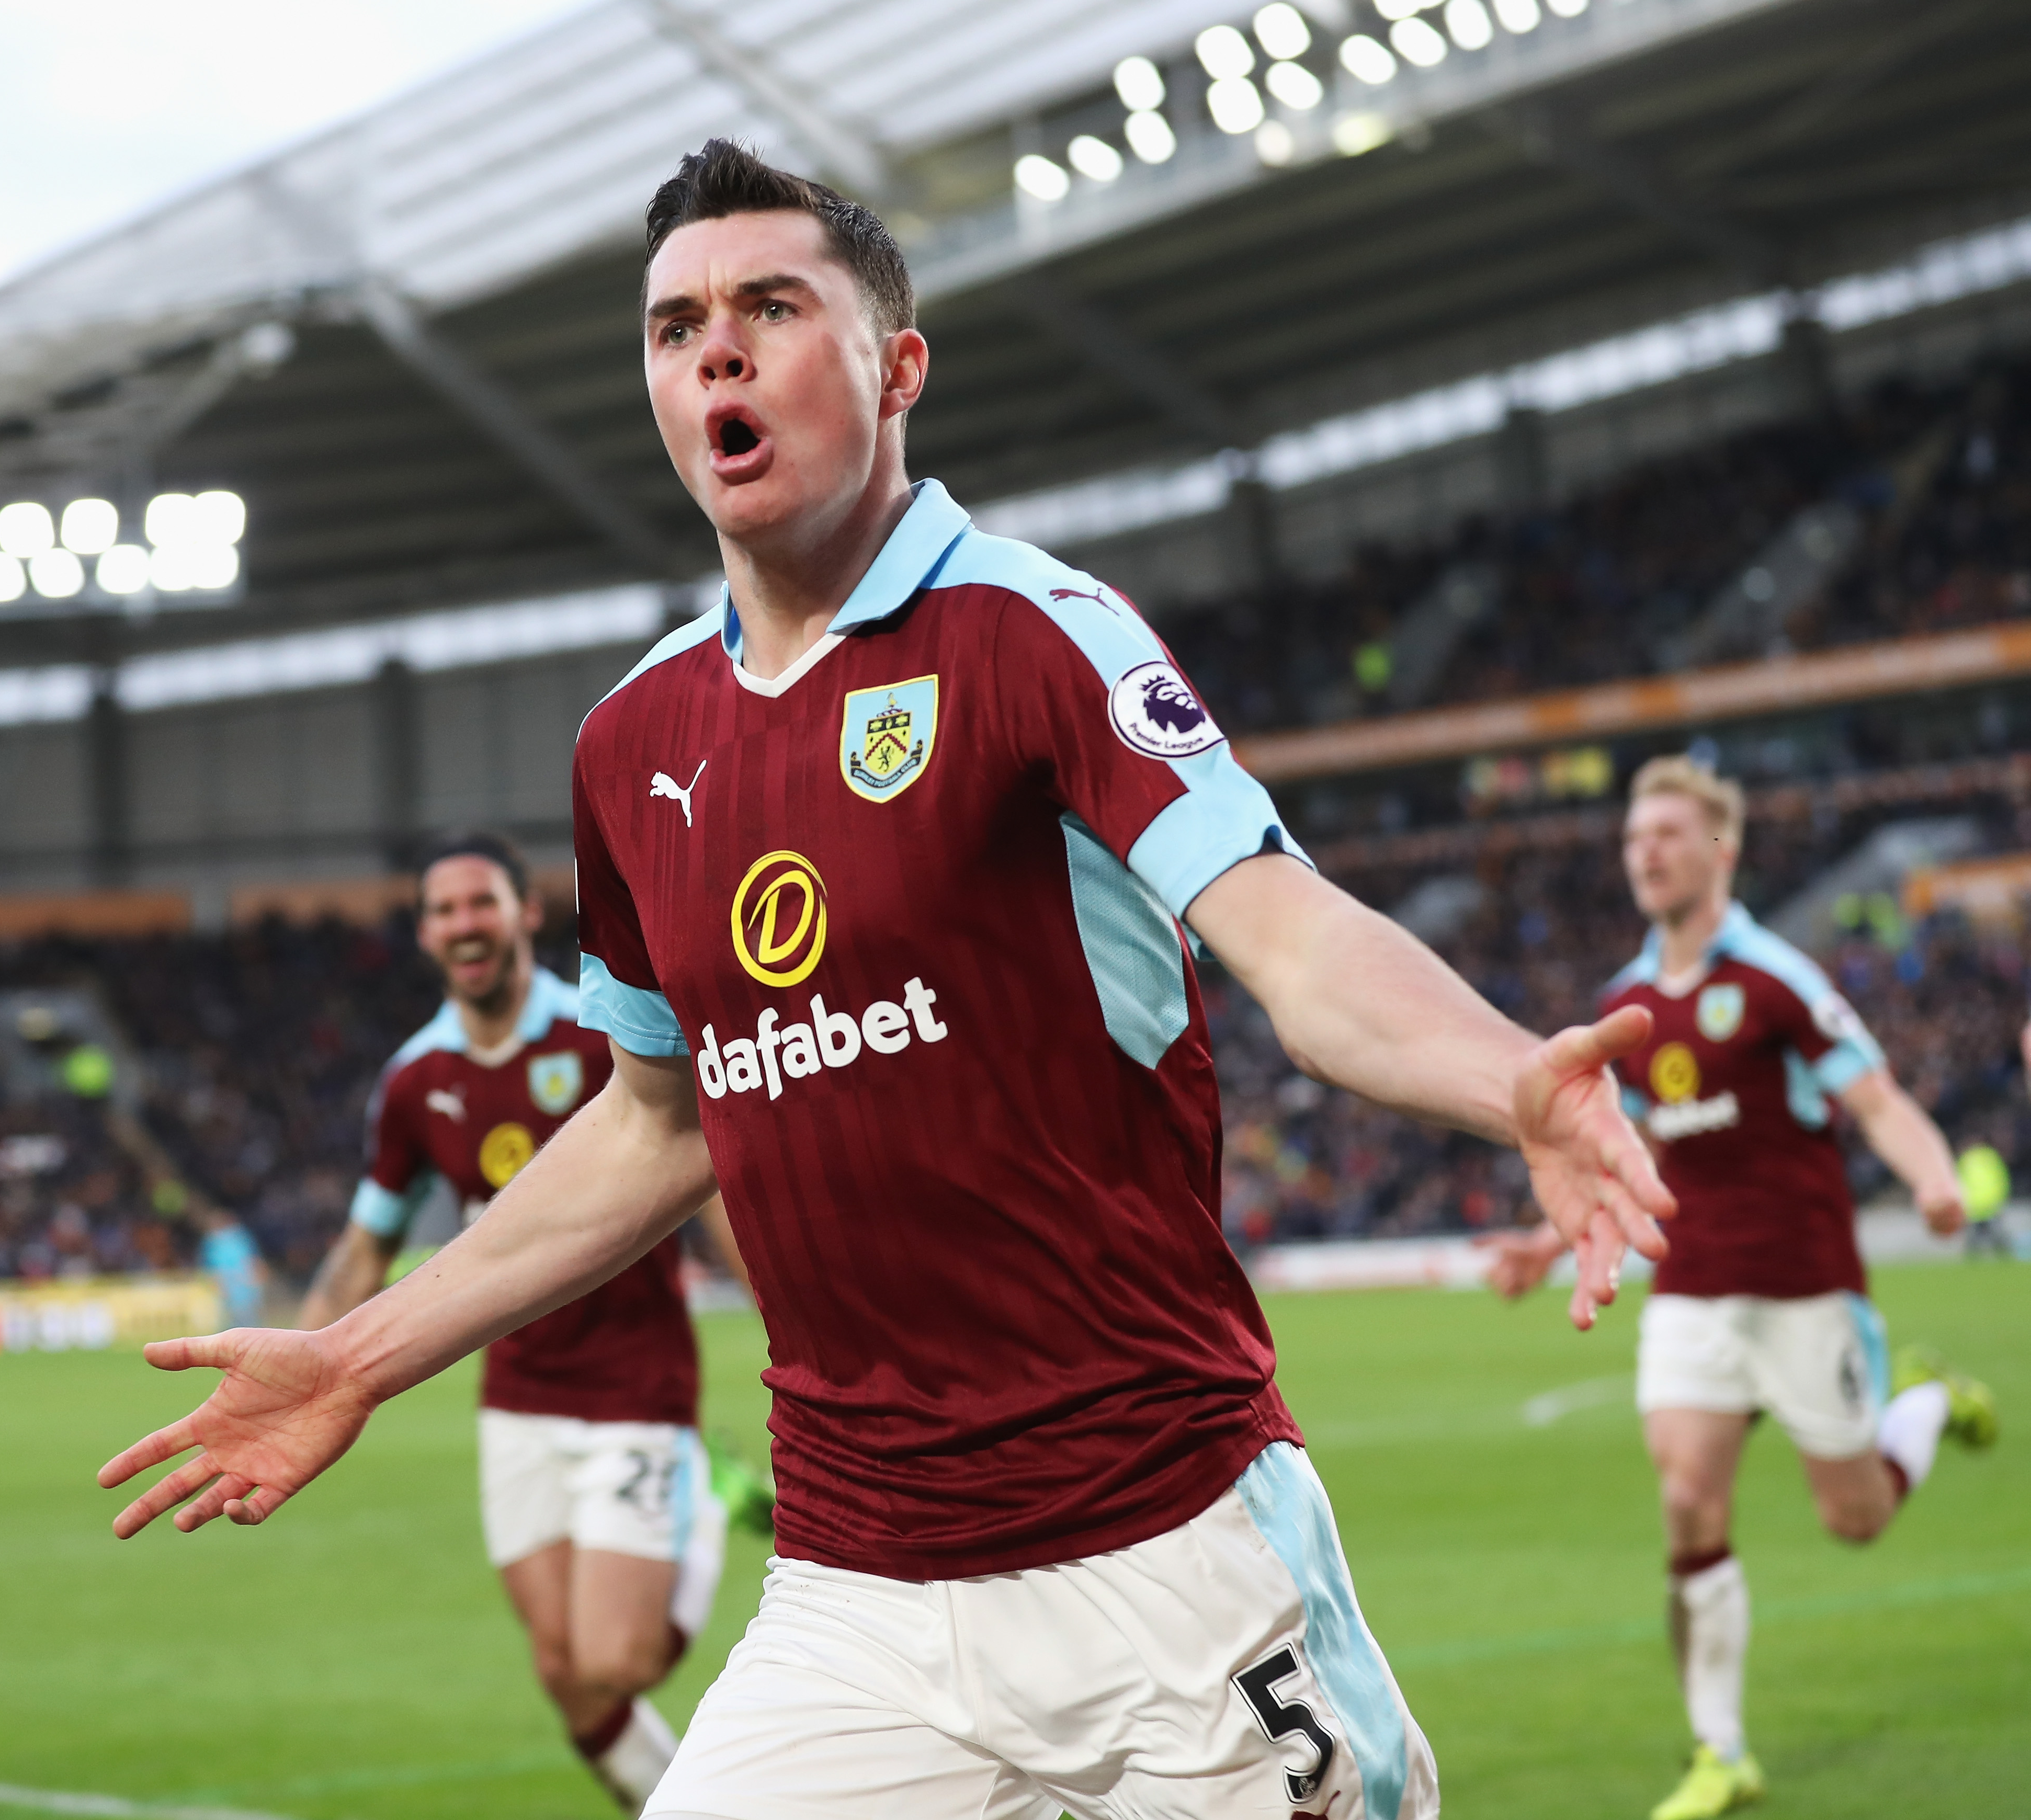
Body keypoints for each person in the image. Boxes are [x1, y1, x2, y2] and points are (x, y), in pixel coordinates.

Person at [101, 140, 1673, 1820]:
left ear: (895, 366)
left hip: (1163, 1548)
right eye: (675, 327)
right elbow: (652, 1124)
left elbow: (1287, 936)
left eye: (771, 308)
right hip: (854, 1594)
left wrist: (1506, 1077)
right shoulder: (631, 745)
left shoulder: (1034, 633)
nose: (717, 349)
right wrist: (358, 1353)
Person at [1486, 756, 1997, 1820]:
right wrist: (1545, 1242)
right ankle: (1719, 1750)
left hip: (1805, 1286)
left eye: (1668, 834)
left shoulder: (1777, 981)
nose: (1646, 853)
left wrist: (1934, 1178)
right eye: (1634, 838)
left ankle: (1926, 1401)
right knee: (1686, 1499)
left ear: (1720, 849)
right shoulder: (1623, 1006)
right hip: (1692, 1288)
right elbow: (1622, 1156)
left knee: (1855, 1518)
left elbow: (1877, 1100)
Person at [298, 831, 747, 1811]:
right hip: (516, 1402)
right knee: (564, 1672)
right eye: (444, 910)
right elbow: (366, 1245)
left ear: (525, 914)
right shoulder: (414, 1080)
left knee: (618, 1659)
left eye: (481, 903)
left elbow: (705, 1178)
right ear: (424, 933)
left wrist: (783, 1313)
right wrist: (299, 1365)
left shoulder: (602, 1034)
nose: (464, 924)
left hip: (635, 1387)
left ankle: (706, 1496)